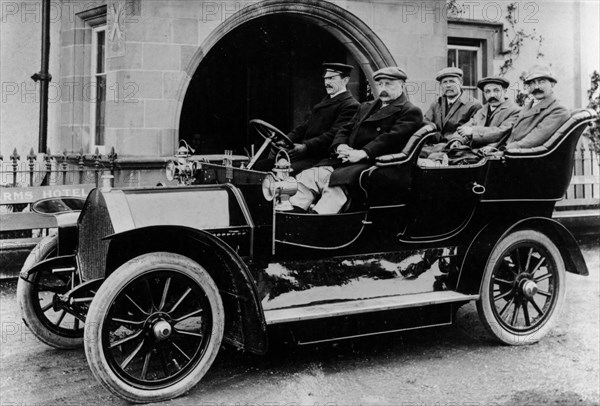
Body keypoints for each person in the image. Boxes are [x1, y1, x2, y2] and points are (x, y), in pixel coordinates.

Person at [287, 66, 423, 214]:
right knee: (307, 176)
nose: (383, 88)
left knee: (336, 184)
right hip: (347, 160)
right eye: (380, 84)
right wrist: (340, 146)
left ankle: (318, 222)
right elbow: (345, 129)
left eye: (388, 84)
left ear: (402, 85)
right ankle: (295, 215)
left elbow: (391, 138)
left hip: (377, 165)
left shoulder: (410, 111)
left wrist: (363, 153)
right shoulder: (366, 107)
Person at [254, 63, 359, 172]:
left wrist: (305, 147)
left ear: (345, 80)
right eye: (325, 79)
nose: (327, 83)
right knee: (260, 166)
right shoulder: (324, 102)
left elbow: (334, 135)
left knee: (281, 172)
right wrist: (287, 140)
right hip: (307, 154)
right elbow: (303, 127)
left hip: (323, 158)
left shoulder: (350, 105)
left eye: (331, 78)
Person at [501, 64, 569, 150]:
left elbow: (534, 139)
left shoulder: (558, 110)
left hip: (526, 157)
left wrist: (504, 149)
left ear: (552, 84)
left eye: (541, 82)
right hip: (513, 152)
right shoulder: (529, 106)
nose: (536, 87)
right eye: (532, 83)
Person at [445, 75, 521, 149]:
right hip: (475, 151)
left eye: (496, 90)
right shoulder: (481, 111)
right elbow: (466, 127)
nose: (492, 95)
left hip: (495, 153)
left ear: (505, 91)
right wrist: (457, 140)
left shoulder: (514, 111)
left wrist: (473, 131)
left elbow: (501, 132)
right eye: (487, 91)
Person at [424, 67, 482, 142]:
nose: (448, 85)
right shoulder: (436, 104)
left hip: (458, 148)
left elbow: (473, 132)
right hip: (434, 146)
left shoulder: (474, 105)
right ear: (441, 85)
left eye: (452, 81)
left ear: (461, 83)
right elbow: (426, 123)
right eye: (444, 82)